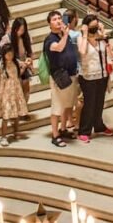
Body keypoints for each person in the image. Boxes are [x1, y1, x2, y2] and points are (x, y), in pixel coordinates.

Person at [76, 14, 113, 142]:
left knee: (99, 103)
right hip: (88, 76)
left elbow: (109, 52)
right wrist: (86, 34)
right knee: (89, 104)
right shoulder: (81, 38)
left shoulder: (100, 37)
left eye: (96, 26)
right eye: (92, 26)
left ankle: (99, 126)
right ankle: (84, 130)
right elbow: (82, 52)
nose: (95, 28)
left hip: (102, 74)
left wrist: (102, 33)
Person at [44, 10, 79, 147]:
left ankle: (63, 129)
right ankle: (55, 135)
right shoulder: (50, 39)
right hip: (59, 77)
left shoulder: (65, 35)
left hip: (71, 74)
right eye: (54, 19)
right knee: (57, 108)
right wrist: (65, 34)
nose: (58, 21)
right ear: (49, 24)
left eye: (59, 18)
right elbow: (58, 48)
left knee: (67, 105)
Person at [0, 43, 30, 146]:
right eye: (8, 54)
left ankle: (16, 132)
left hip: (16, 90)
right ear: (4, 54)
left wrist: (27, 64)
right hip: (6, 92)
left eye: (11, 54)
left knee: (16, 113)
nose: (10, 56)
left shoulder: (16, 62)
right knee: (6, 116)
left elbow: (21, 70)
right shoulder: (0, 64)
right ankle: (3, 136)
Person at [9, 16, 34, 95]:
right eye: (18, 30)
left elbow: (30, 53)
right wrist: (19, 63)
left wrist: (29, 60)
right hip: (13, 65)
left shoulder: (26, 37)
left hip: (24, 64)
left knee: (26, 86)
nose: (20, 32)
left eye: (22, 30)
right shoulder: (8, 38)